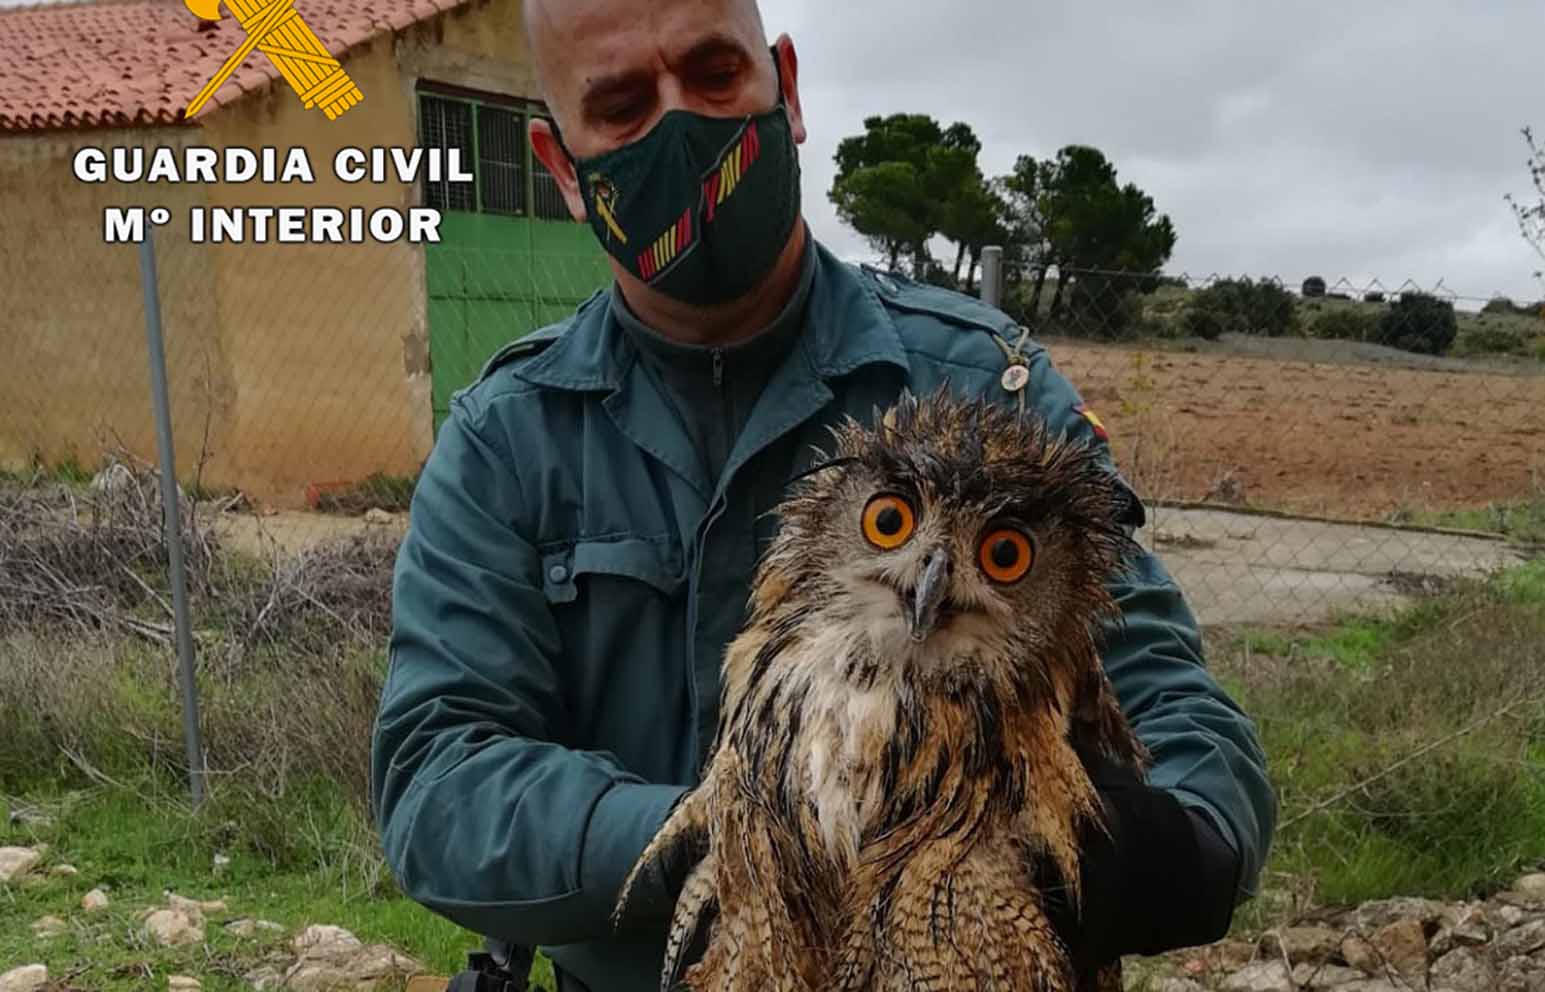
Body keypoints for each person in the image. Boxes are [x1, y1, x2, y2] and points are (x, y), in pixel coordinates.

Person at [370, 2, 1278, 990]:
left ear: (786, 90)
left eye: (716, 74)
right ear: (562, 167)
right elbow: (438, 773)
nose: (684, 130)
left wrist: (1162, 846)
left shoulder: (984, 390)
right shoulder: (509, 438)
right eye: (624, 105)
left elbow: (1173, 701)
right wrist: (716, 838)